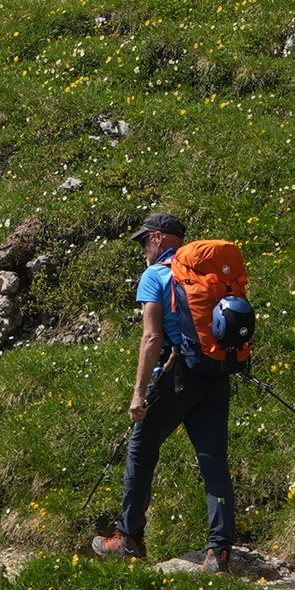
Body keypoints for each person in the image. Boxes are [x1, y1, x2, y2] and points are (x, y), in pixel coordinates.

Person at [94, 211, 235, 570]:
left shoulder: (155, 275)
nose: (143, 249)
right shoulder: (209, 274)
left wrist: (138, 393)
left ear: (158, 239)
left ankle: (128, 538)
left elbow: (152, 336)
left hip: (175, 376)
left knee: (141, 451)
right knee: (214, 461)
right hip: (215, 374)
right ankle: (219, 550)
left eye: (144, 242)